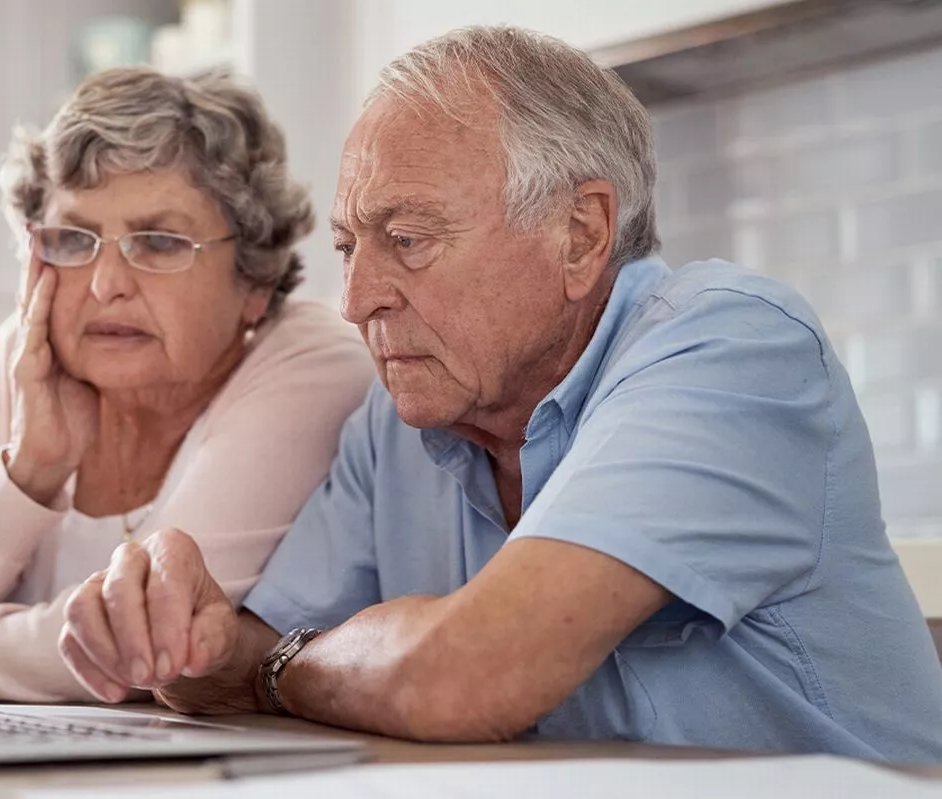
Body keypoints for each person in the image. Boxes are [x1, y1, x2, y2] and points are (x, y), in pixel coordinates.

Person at [58, 28, 942, 762]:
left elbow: (462, 679)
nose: (358, 300)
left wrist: (279, 670)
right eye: (348, 248)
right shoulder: (397, 419)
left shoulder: (732, 346)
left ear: (580, 234)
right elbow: (229, 662)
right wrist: (183, 625)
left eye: (407, 239)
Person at [0, 67, 374, 702]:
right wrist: (29, 472)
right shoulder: (26, 353)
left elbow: (143, 643)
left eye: (159, 242)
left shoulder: (313, 363)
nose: (105, 283)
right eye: (72, 239)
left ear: (254, 279)